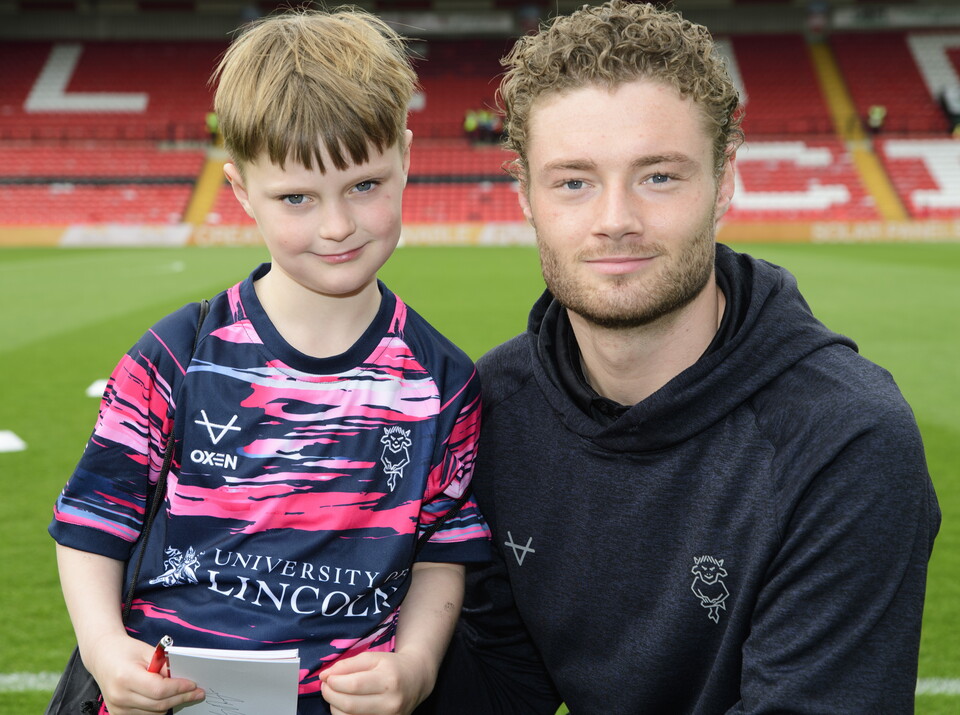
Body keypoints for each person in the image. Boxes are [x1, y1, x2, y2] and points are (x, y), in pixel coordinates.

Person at [417, 2, 941, 713]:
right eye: (574, 181)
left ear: (723, 182)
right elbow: (502, 685)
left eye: (659, 176)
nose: (615, 219)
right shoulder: (492, 407)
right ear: (525, 195)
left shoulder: (845, 437)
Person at [49, 8, 490, 715]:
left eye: (366, 185)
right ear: (240, 189)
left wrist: (415, 662)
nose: (338, 225)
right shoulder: (177, 355)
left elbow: (443, 547)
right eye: (296, 198)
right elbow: (92, 521)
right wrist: (104, 649)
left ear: (406, 156)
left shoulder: (443, 382)